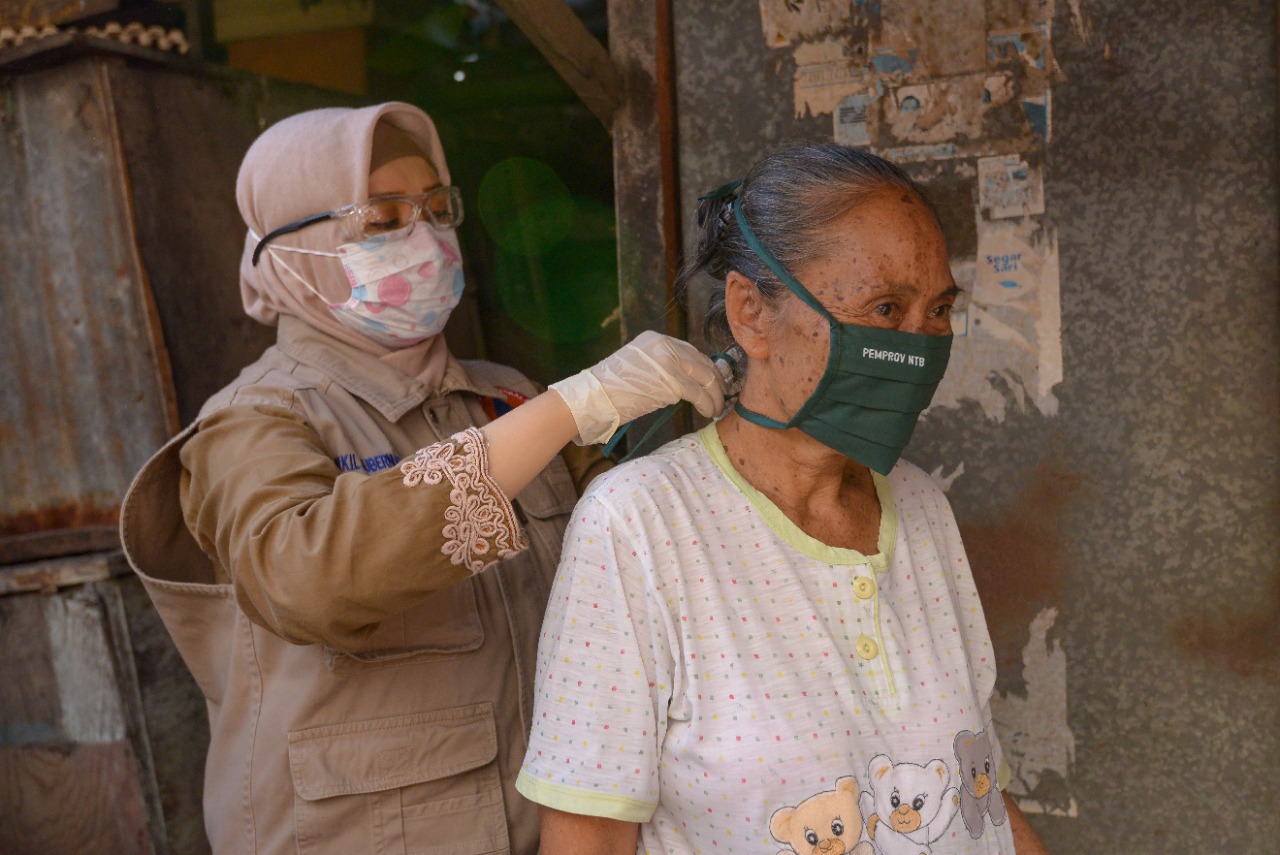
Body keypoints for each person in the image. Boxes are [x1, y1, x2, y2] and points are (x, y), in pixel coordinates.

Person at [119, 102, 727, 855]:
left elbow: (633, 542)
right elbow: (303, 577)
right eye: (382, 219)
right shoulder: (252, 419)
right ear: (296, 249)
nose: (427, 237)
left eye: (438, 208)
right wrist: (577, 403)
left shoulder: (503, 396)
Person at [515, 144, 1053, 855]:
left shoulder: (921, 506)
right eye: (885, 307)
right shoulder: (639, 523)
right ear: (751, 314)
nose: (921, 344)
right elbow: (588, 838)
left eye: (939, 310)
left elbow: (974, 790)